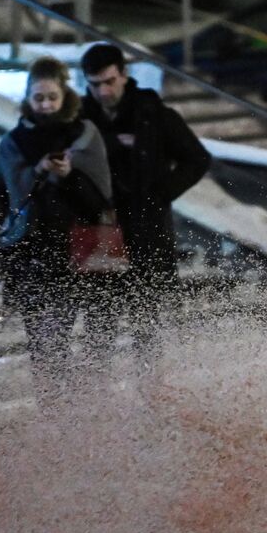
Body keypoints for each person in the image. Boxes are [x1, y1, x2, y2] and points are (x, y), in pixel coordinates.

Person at [0, 57, 113, 407]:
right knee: (45, 341)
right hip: (32, 252)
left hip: (81, 251)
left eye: (51, 96)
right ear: (27, 97)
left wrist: (67, 176)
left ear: (65, 94)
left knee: (90, 338)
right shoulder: (15, 142)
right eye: (38, 98)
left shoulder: (85, 136)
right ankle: (55, 411)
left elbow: (101, 200)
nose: (45, 105)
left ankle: (88, 411)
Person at [79, 43, 211, 351]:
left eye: (109, 81)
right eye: (95, 84)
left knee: (146, 325)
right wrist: (111, 144)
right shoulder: (82, 119)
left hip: (147, 232)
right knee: (100, 328)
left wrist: (159, 194)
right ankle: (100, 394)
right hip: (102, 230)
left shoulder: (152, 114)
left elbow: (197, 159)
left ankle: (149, 390)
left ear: (124, 75)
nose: (103, 91)